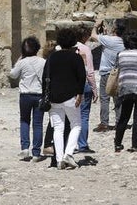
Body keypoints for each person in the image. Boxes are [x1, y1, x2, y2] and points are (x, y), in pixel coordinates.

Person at [42, 27, 86, 169]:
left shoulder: (52, 57)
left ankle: (59, 159)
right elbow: (82, 77)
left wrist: (45, 96)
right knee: (76, 125)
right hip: (70, 97)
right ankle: (69, 153)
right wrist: (80, 93)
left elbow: (44, 78)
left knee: (58, 129)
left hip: (54, 97)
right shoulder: (76, 57)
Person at [8, 36, 47, 162]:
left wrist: (19, 60)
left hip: (25, 95)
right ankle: (36, 153)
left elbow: (13, 74)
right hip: (39, 94)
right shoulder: (43, 62)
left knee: (24, 121)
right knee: (38, 124)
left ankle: (25, 147)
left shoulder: (22, 62)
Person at [92, 19, 125, 132]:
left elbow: (93, 36)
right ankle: (119, 122)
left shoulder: (109, 40)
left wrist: (96, 26)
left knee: (105, 99)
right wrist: (105, 33)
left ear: (115, 29)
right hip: (119, 73)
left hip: (106, 73)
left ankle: (104, 123)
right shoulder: (123, 42)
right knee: (118, 99)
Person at [73, 25, 98, 154]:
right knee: (83, 116)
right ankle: (82, 144)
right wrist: (94, 88)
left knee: (71, 115)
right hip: (83, 84)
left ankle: (70, 144)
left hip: (70, 84)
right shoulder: (85, 49)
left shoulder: (68, 48)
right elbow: (90, 71)